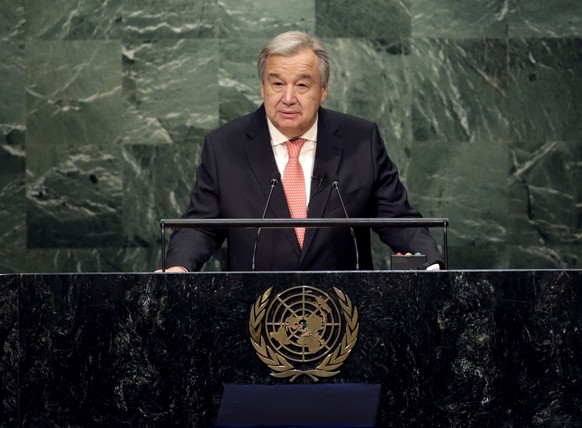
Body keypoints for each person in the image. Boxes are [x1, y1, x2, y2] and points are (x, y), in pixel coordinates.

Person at [161, 31, 443, 272]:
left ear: (322, 90)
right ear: (262, 88)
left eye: (302, 85)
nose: (288, 98)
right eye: (277, 83)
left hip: (342, 316)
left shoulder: (360, 140)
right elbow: (200, 225)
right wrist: (179, 266)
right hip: (256, 317)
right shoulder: (225, 146)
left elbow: (396, 217)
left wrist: (431, 262)